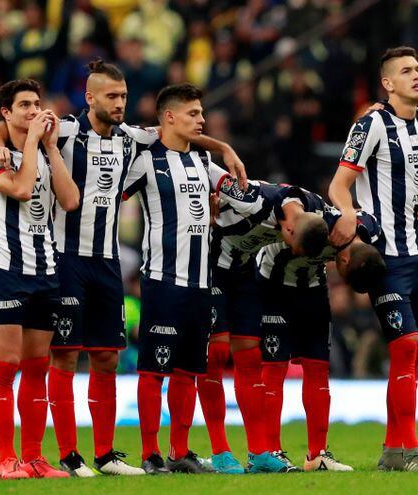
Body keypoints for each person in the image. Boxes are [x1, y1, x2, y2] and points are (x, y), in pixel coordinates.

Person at [0, 59, 248, 477]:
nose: (120, 103)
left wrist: (222, 147)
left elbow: (177, 130)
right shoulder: (66, 130)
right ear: (90, 98)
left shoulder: (132, 138)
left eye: (123, 95)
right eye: (111, 96)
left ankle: (105, 455)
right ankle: (70, 455)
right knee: (66, 358)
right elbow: (16, 126)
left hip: (108, 262)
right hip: (66, 259)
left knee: (107, 356)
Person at [328, 46, 418, 471]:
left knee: (412, 353)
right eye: (407, 71)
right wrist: (352, 216)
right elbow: (340, 185)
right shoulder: (370, 124)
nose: (417, 76)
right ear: (387, 83)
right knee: (406, 344)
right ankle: (408, 449)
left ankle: (394, 450)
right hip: (386, 257)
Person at [121, 83, 229, 475]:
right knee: (155, 369)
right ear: (169, 117)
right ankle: (149, 454)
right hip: (162, 280)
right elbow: (110, 200)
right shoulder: (145, 161)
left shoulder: (203, 162)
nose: (202, 120)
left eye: (201, 113)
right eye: (194, 114)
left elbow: (234, 190)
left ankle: (179, 452)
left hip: (201, 283)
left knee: (189, 371)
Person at [0, 79, 79, 479]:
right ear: (6, 113)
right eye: (24, 105)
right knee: (7, 365)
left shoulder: (48, 148)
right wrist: (34, 142)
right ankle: (6, 459)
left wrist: (51, 147)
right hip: (7, 268)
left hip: (46, 270)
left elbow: (70, 201)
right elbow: (19, 189)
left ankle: (35, 458)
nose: (34, 111)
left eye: (37, 103)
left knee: (37, 368)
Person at [202, 174, 330, 474]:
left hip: (244, 273)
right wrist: (200, 203)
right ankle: (220, 451)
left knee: (249, 358)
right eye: (293, 244)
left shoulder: (312, 208)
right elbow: (207, 172)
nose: (289, 250)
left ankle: (259, 452)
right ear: (287, 227)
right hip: (209, 269)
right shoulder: (252, 198)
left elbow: (347, 222)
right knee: (217, 354)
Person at [256, 193, 385, 472]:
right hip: (272, 288)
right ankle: (269, 452)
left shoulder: (368, 229)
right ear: (346, 258)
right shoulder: (316, 222)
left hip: (313, 291)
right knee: (274, 370)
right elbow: (285, 198)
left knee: (318, 369)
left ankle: (317, 455)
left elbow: (378, 215)